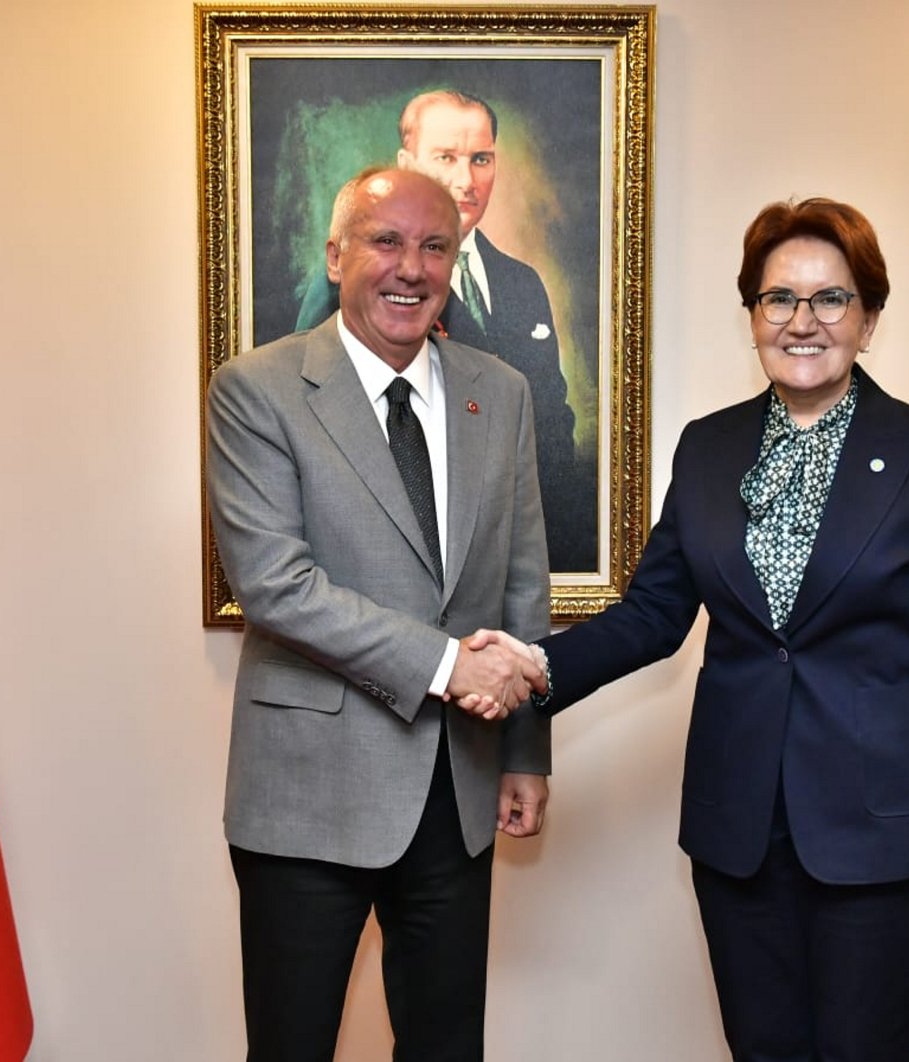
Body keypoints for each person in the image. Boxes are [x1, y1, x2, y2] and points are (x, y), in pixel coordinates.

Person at [473, 198, 909, 1060]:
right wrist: (534, 663)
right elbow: (653, 615)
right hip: (740, 831)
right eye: (778, 300)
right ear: (753, 316)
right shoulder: (710, 448)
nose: (803, 322)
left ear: (868, 319)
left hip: (881, 827)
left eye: (830, 300)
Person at [207, 166, 553, 1061]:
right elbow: (276, 584)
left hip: (457, 790)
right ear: (336, 256)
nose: (411, 267)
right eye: (385, 241)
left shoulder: (501, 392)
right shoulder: (258, 390)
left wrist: (524, 751)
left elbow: (521, 580)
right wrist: (448, 667)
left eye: (435, 246)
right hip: (306, 798)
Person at [295, 89, 594, 571]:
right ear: (406, 163)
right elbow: (316, 417)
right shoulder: (354, 281)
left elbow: (552, 423)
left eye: (480, 159)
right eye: (446, 158)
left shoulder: (521, 282)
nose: (465, 179)